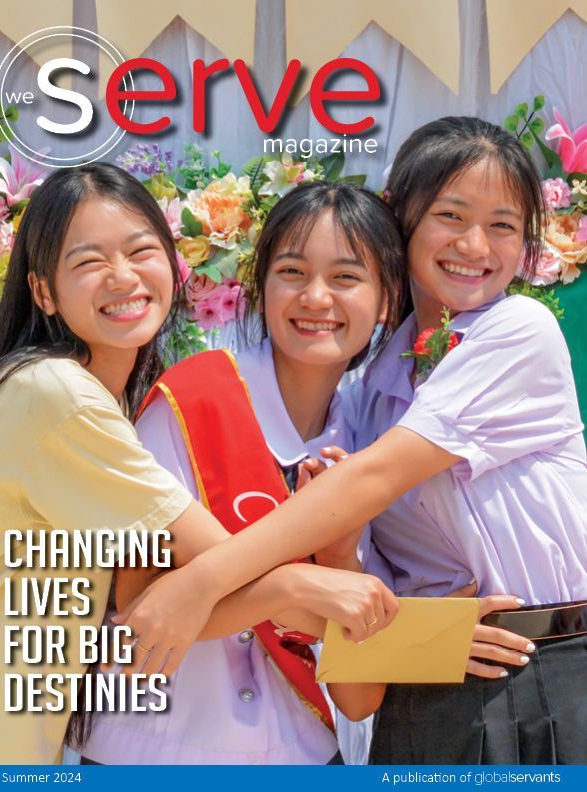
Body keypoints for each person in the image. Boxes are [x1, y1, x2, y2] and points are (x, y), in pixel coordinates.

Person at [83, 182, 536, 765]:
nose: (316, 298)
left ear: (385, 300)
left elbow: (357, 698)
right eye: (293, 272)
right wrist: (300, 588)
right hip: (151, 754)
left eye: (346, 278)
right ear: (261, 288)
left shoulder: (372, 446)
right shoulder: (191, 402)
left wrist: (343, 563)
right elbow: (142, 612)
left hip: (304, 756)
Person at [0, 165, 396, 765]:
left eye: (141, 250)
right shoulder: (63, 396)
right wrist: (307, 585)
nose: (122, 276)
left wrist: (422, 624)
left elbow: (348, 668)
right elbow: (185, 584)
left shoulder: (371, 431)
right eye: (90, 261)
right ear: (44, 291)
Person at [339, 116, 586, 764]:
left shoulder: (519, 330)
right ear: (403, 219)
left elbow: (370, 480)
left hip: (561, 674)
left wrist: (203, 585)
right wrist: (427, 635)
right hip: (426, 686)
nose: (476, 245)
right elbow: (364, 588)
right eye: (451, 215)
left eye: (503, 225)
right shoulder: (364, 390)